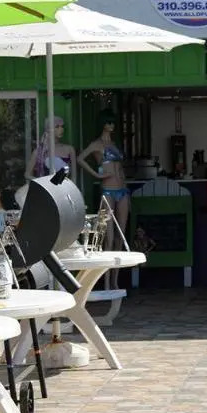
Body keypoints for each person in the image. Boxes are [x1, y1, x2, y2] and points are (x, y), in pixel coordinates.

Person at [77, 108, 129, 290]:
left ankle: (115, 281)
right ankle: (106, 282)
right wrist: (96, 175)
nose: (111, 125)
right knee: (109, 237)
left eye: (113, 122)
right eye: (108, 122)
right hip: (107, 190)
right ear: (102, 124)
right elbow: (80, 159)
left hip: (123, 189)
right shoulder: (96, 144)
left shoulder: (114, 143)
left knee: (120, 237)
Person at [25, 116, 77, 181]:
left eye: (62, 126)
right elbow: (27, 174)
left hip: (64, 185)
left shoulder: (69, 149)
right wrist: (43, 183)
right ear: (48, 129)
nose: (61, 129)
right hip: (45, 185)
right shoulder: (39, 151)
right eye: (57, 127)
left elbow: (74, 177)